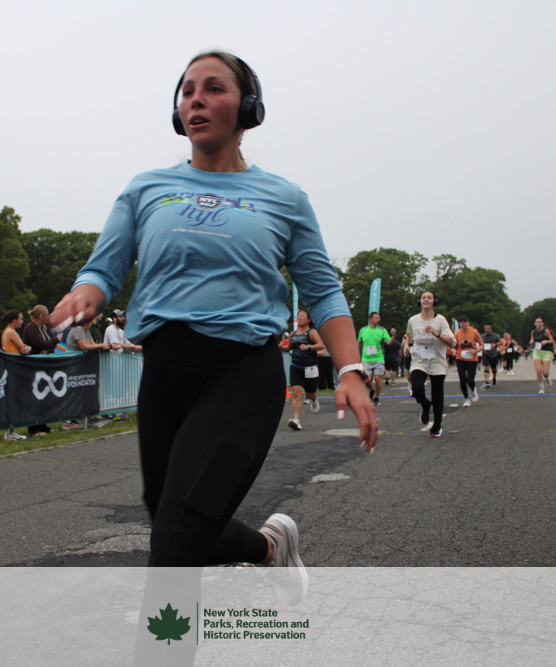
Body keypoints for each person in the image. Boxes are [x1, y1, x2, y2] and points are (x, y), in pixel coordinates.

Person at [48, 51, 376, 582]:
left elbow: (323, 293)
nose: (196, 99)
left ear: (248, 108)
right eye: (187, 91)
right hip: (164, 375)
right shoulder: (145, 188)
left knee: (176, 542)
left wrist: (351, 371)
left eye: (213, 88)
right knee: (174, 524)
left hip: (241, 372)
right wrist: (86, 292)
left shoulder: (284, 197)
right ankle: (268, 548)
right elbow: (102, 268)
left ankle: (164, 635)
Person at [404, 292, 454, 438]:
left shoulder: (441, 320)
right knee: (416, 388)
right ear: (420, 301)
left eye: (429, 297)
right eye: (423, 297)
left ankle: (436, 426)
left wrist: (436, 333)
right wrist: (406, 344)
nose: (426, 299)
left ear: (434, 301)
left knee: (437, 394)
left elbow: (452, 342)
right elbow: (409, 334)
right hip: (419, 359)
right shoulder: (413, 320)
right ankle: (425, 405)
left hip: (437, 360)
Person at [282, 310, 323, 431]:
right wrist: (281, 348)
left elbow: (321, 345)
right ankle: (296, 419)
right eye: (298, 316)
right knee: (296, 392)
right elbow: (288, 347)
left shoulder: (312, 332)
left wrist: (309, 347)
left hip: (310, 368)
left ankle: (314, 399)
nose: (299, 318)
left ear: (309, 319)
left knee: (310, 394)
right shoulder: (293, 333)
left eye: (302, 316)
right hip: (296, 367)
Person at [23, 305, 59, 436]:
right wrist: (54, 341)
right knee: (35, 396)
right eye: (47, 315)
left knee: (45, 395)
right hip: (34, 366)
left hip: (45, 364)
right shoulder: (30, 328)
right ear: (41, 316)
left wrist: (47, 348)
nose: (48, 317)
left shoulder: (44, 328)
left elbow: (50, 344)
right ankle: (34, 428)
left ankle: (43, 425)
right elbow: (40, 344)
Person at [0, 309, 31, 441]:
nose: (22, 322)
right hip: (13, 368)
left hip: (11, 367)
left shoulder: (6, 331)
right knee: (14, 400)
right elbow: (24, 349)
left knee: (13, 400)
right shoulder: (11, 332)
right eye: (20, 319)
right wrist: (29, 348)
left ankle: (11, 430)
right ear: (14, 320)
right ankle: (9, 432)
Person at [357, 311, 391, 406]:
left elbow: (389, 342)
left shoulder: (382, 330)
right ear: (370, 319)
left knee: (377, 379)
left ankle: (376, 397)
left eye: (379, 318)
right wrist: (356, 355)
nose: (378, 320)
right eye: (376, 318)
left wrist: (394, 336)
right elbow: (359, 343)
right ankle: (372, 390)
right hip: (366, 359)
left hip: (378, 358)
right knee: (367, 380)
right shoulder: (363, 330)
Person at [453, 315, 482, 407]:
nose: (463, 324)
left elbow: (482, 344)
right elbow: (453, 345)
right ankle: (466, 399)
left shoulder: (474, 332)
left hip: (472, 358)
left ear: (468, 323)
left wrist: (476, 351)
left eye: (465, 322)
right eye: (461, 322)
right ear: (459, 324)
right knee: (462, 379)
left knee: (470, 379)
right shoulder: (457, 334)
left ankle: (473, 390)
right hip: (460, 358)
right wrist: (453, 350)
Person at [529, 317, 556, 394]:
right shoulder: (533, 332)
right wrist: (531, 342)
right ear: (535, 323)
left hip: (546, 352)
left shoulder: (546, 331)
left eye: (540, 322)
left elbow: (552, 341)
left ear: (542, 323)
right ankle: (541, 388)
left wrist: (546, 341)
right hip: (537, 351)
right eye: (537, 322)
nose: (538, 323)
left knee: (545, 372)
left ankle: (547, 377)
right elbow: (532, 339)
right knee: (538, 371)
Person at [480, 322, 501, 390]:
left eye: (488, 328)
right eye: (485, 328)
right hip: (485, 354)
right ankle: (487, 382)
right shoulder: (482, 336)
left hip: (494, 354)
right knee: (486, 367)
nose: (487, 329)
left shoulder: (496, 336)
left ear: (491, 328)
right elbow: (479, 342)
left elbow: (501, 342)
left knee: (493, 368)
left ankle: (494, 376)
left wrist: (495, 344)